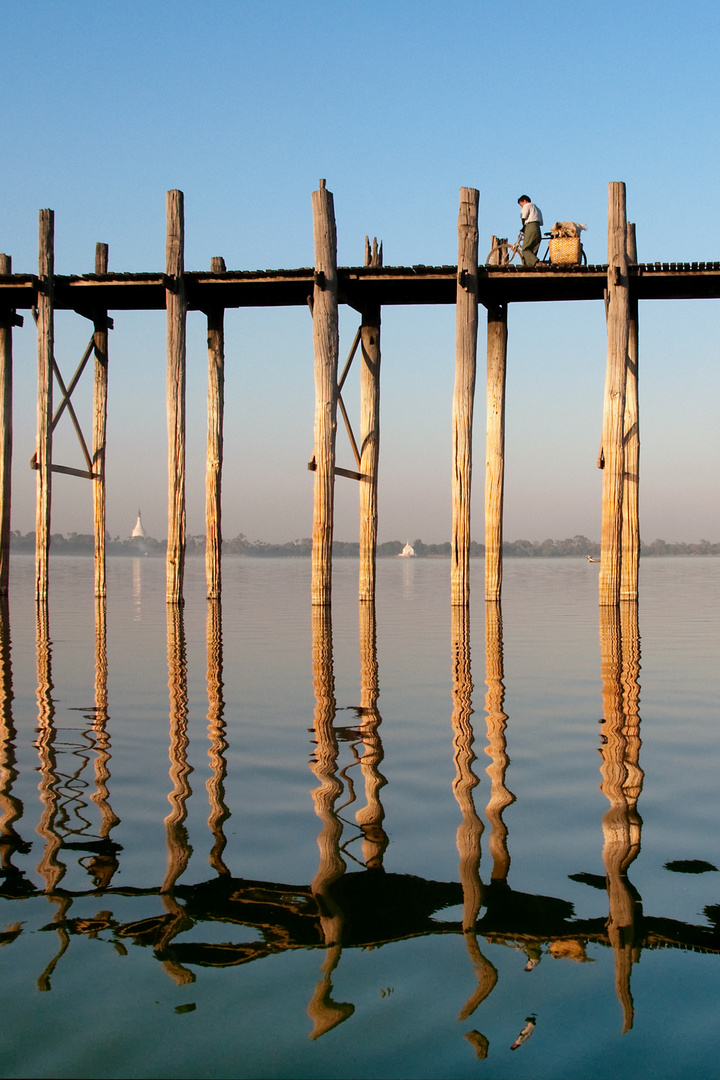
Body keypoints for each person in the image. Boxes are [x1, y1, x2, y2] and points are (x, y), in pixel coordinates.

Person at [517, 195, 543, 267]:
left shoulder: (527, 205)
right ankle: (529, 265)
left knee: (525, 249)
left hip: (530, 227)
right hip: (537, 229)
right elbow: (541, 222)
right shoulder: (537, 209)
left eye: (521, 205)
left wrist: (524, 226)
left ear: (524, 201)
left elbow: (524, 217)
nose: (522, 207)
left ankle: (536, 263)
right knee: (532, 250)